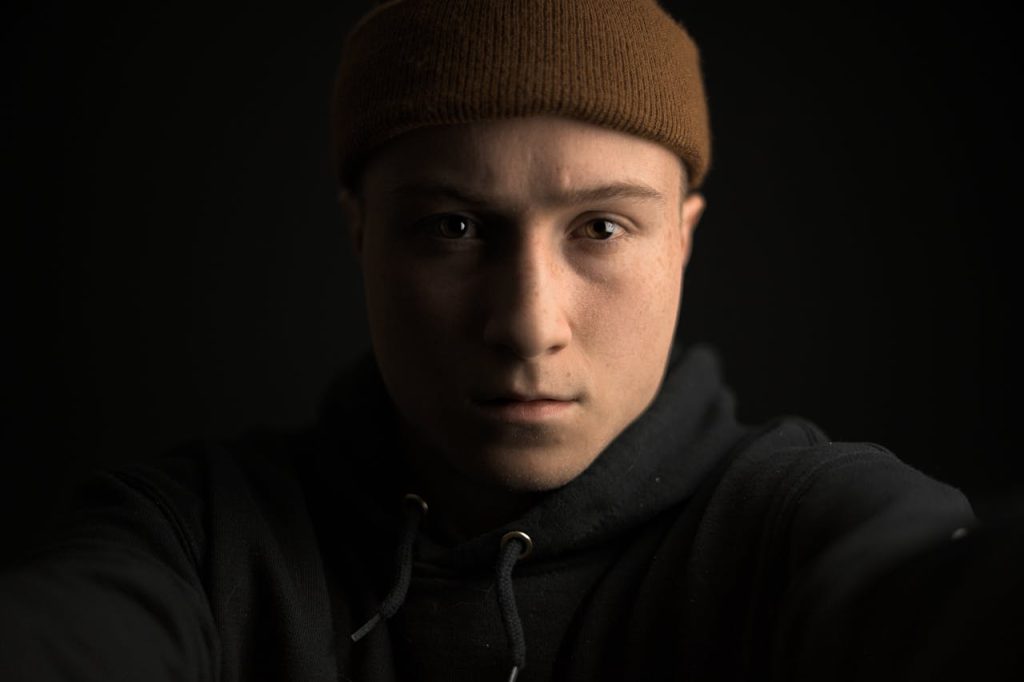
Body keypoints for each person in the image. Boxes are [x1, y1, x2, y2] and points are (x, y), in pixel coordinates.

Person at [1, 1, 1019, 680]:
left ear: (682, 240)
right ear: (361, 230)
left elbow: (930, 598)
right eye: (453, 227)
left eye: (601, 228)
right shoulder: (197, 543)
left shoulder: (794, 525)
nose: (529, 324)